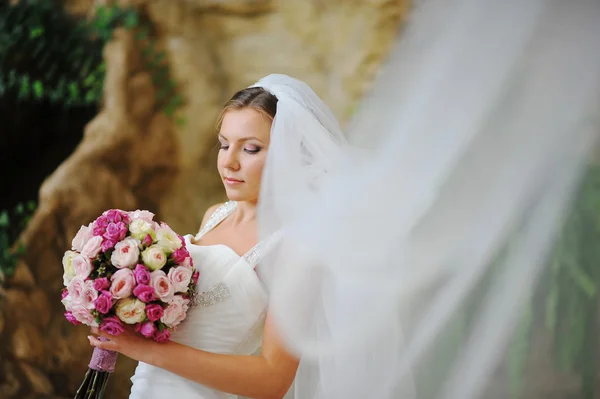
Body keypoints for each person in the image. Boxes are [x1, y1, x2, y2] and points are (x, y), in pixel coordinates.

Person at [87, 75, 343, 399]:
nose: (229, 161)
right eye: (224, 144)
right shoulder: (214, 215)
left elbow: (273, 379)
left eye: (250, 148)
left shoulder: (295, 248)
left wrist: (145, 351)